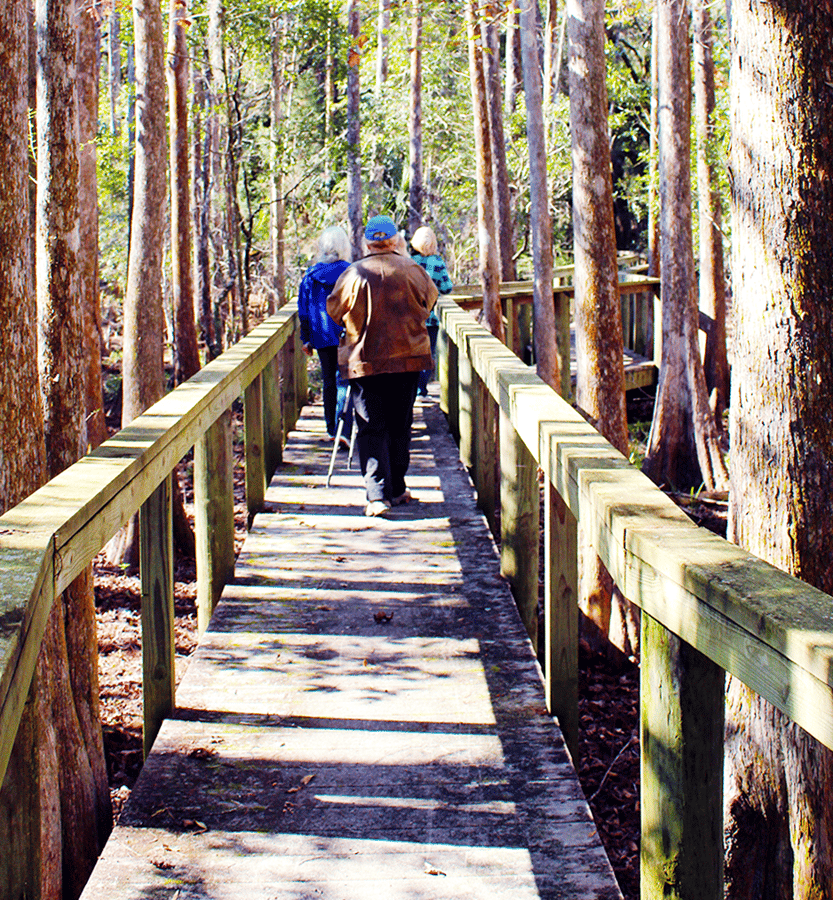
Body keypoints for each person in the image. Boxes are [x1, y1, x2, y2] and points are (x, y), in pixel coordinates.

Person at [327, 214, 439, 517]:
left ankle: (377, 495)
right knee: (400, 424)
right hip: (408, 358)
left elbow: (335, 310)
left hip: (366, 361)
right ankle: (398, 488)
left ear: (367, 243)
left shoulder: (353, 273)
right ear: (395, 241)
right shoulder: (414, 270)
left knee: (370, 426)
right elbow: (430, 301)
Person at [297, 226, 353, 444]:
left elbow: (303, 311)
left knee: (329, 380)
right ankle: (344, 428)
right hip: (347, 334)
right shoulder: (352, 272)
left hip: (321, 336)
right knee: (346, 380)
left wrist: (306, 338)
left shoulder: (310, 277)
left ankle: (331, 428)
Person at [409, 225, 453, 397]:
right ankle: (422, 388)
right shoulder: (437, 262)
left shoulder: (409, 262)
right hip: (431, 318)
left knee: (413, 352)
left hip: (411, 317)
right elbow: (447, 288)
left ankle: (413, 387)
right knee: (429, 353)